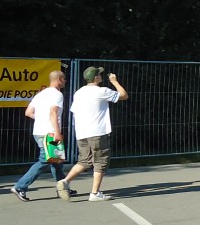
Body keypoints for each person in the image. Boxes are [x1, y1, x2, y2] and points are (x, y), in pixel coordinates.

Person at [60, 66, 128, 201]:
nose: (101, 76)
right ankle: (95, 193)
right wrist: (114, 81)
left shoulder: (79, 93)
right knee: (101, 161)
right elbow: (124, 95)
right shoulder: (101, 91)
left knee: (84, 161)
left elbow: (74, 111)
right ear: (96, 77)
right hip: (97, 132)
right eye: (99, 74)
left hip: (82, 132)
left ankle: (65, 181)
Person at [11, 69, 69, 201]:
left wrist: (41, 119)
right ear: (59, 79)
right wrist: (57, 132)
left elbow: (28, 112)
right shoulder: (57, 94)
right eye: (64, 79)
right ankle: (20, 186)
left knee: (57, 161)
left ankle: (62, 188)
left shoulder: (40, 94)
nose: (65, 81)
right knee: (45, 160)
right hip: (50, 132)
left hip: (38, 131)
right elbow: (53, 112)